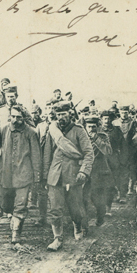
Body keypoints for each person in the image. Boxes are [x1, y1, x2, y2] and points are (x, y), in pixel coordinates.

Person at [0, 106, 41, 244]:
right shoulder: (3, 129)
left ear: (23, 118)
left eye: (18, 117)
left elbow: (36, 156)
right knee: (5, 205)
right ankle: (13, 219)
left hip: (24, 175)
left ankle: (16, 234)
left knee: (20, 205)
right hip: (5, 175)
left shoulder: (31, 133)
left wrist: (37, 177)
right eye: (13, 116)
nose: (15, 120)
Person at [43, 102, 94, 251]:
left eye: (63, 114)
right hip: (55, 175)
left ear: (70, 113)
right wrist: (45, 176)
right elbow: (47, 155)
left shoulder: (79, 130)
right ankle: (57, 238)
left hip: (73, 176)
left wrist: (83, 171)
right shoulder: (53, 131)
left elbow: (89, 153)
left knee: (75, 208)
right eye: (58, 115)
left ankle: (77, 226)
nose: (61, 118)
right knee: (55, 209)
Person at [83, 115, 112, 227]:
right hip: (85, 170)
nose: (91, 129)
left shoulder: (103, 136)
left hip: (99, 171)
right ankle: (84, 224)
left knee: (98, 199)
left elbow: (108, 151)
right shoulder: (82, 137)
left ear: (97, 127)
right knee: (83, 198)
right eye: (89, 127)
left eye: (93, 127)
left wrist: (96, 139)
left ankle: (100, 217)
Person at [100, 109, 125, 214]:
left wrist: (122, 159)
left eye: (108, 118)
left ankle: (108, 208)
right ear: (101, 119)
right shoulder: (97, 130)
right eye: (104, 118)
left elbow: (123, 145)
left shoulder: (116, 130)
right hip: (100, 160)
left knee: (112, 182)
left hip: (113, 158)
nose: (106, 120)